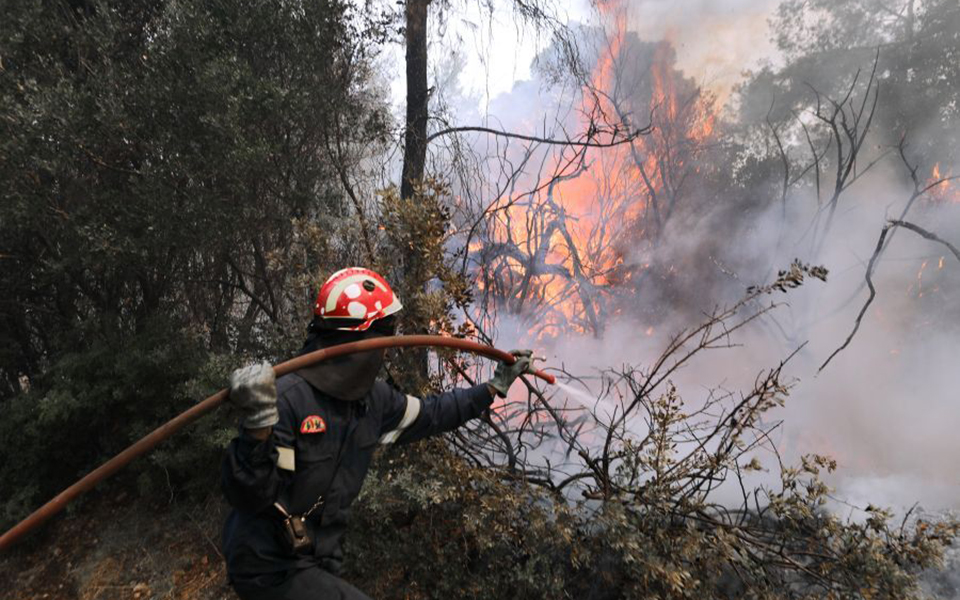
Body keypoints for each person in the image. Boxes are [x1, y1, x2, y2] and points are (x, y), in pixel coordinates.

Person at [221, 267, 533, 600]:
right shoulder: (286, 400)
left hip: (316, 559)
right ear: (359, 339)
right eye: (385, 334)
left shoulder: (374, 401)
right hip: (267, 566)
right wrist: (258, 427)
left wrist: (492, 388)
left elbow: (431, 414)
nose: (387, 348)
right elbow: (250, 496)